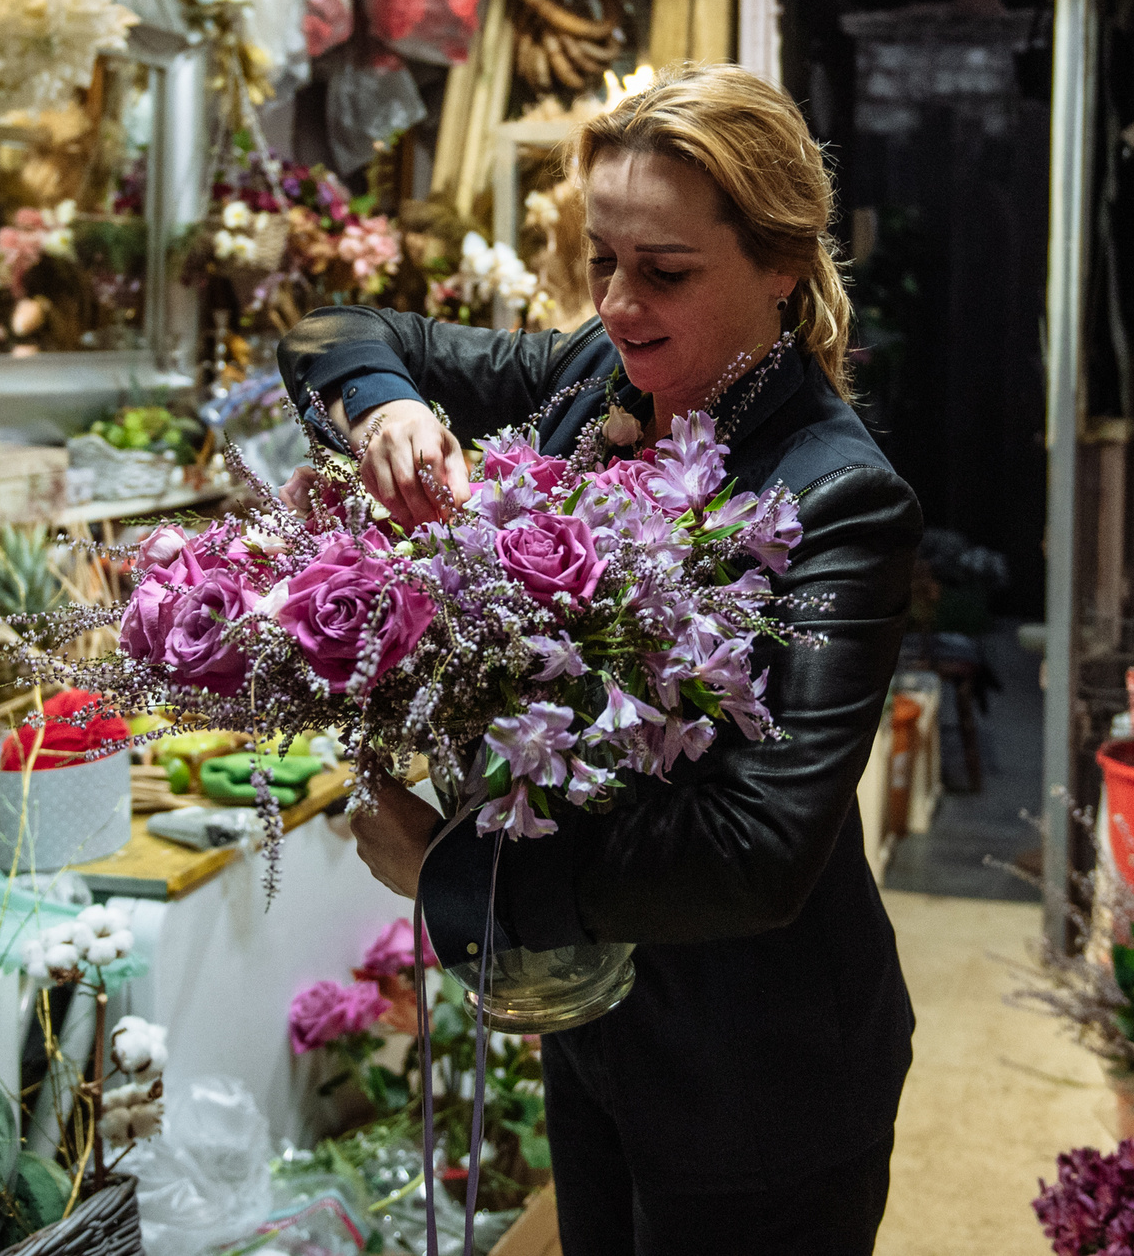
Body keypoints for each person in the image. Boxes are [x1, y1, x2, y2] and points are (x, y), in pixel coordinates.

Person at [279, 62, 921, 1256]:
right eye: (601, 259)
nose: (620, 302)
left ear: (781, 264)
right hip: (600, 1024)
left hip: (759, 1065)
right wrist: (384, 412)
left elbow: (758, 851)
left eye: (665, 270)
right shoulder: (589, 375)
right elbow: (331, 329)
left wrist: (453, 873)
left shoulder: (838, 497)